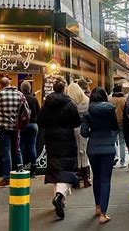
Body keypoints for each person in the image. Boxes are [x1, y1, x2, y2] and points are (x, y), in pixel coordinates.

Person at [38, 76, 81, 220]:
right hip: (66, 139)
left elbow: (41, 121)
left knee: (55, 168)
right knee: (67, 169)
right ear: (64, 89)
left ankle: (61, 201)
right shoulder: (70, 104)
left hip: (50, 139)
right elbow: (77, 122)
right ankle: (59, 196)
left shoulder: (46, 104)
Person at [81, 87, 117, 224]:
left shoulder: (88, 112)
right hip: (108, 147)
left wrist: (92, 133)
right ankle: (103, 213)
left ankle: (97, 207)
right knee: (105, 180)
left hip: (93, 148)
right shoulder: (110, 111)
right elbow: (114, 127)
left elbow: (84, 133)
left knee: (96, 177)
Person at [0, 77, 27, 187]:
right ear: (10, 83)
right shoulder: (19, 94)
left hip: (4, 127)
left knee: (6, 151)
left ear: (1, 85)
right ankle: (20, 173)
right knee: (17, 150)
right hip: (17, 127)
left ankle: (7, 178)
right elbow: (26, 109)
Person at [67, 82, 91, 188]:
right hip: (85, 129)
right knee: (84, 152)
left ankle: (76, 180)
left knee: (76, 153)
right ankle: (86, 179)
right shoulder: (86, 100)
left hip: (73, 129)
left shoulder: (70, 103)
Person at [19, 81, 40, 178]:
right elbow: (38, 112)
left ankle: (21, 168)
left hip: (22, 125)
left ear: (21, 89)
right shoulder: (34, 99)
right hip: (33, 125)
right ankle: (34, 170)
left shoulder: (20, 99)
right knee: (32, 146)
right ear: (29, 88)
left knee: (21, 146)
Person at [109, 84, 127, 168]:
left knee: (112, 141)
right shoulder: (124, 99)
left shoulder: (110, 99)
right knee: (122, 142)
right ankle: (123, 162)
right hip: (123, 123)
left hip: (112, 123)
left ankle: (114, 157)